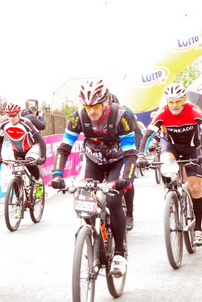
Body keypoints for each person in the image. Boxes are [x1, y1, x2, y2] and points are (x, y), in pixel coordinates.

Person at [50, 79, 137, 277]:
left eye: (96, 106)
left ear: (106, 102)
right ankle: (92, 238)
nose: (91, 111)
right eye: (87, 107)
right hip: (93, 161)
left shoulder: (120, 115)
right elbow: (64, 148)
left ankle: (119, 254)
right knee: (85, 200)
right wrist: (57, 174)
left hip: (117, 161)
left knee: (113, 200)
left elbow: (130, 153)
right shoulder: (79, 116)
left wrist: (127, 178)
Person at [138, 83, 202, 246]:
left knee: (195, 188)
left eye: (177, 101)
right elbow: (148, 136)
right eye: (170, 102)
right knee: (166, 163)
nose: (174, 105)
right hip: (171, 146)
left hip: (192, 149)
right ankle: (170, 192)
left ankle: (198, 229)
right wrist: (141, 155)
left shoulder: (193, 110)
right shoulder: (163, 112)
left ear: (183, 100)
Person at [0, 102, 47, 197]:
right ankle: (19, 201)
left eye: (13, 115)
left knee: (29, 164)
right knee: (16, 174)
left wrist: (43, 156)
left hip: (31, 147)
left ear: (19, 114)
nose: (11, 118)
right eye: (9, 116)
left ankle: (38, 181)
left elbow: (40, 140)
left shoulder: (26, 123)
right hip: (17, 151)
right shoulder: (4, 124)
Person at [108, 93, 142, 231]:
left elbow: (136, 132)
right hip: (107, 149)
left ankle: (129, 213)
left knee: (127, 179)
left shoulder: (125, 111)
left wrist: (136, 150)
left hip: (124, 146)